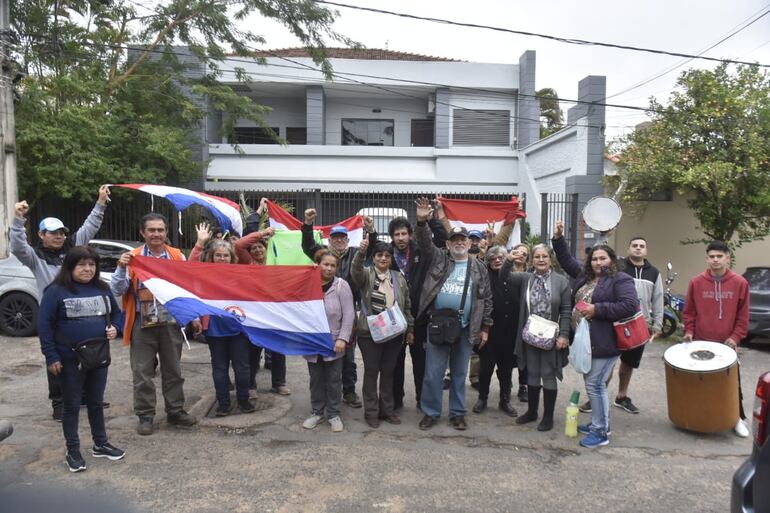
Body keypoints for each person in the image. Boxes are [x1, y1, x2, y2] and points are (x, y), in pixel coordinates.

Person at [10, 186, 111, 421]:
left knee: (86, 355)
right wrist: (18, 219)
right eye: (53, 232)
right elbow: (16, 246)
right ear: (41, 235)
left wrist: (101, 203)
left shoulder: (73, 251)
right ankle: (59, 403)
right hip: (54, 317)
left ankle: (84, 395)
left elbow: (90, 226)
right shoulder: (34, 257)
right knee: (56, 360)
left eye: (62, 232)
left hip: (79, 314)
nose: (59, 236)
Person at [38, 246, 124, 473]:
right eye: (82, 264)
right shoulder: (55, 291)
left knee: (96, 402)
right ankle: (73, 450)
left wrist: (115, 327)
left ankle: (101, 443)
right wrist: (51, 356)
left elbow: (117, 314)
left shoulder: (103, 288)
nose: (87, 269)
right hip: (68, 360)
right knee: (72, 406)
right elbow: (44, 326)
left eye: (92, 265)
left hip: (98, 357)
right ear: (70, 267)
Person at [552, 221, 638, 448]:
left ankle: (601, 432)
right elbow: (566, 260)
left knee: (595, 386)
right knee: (593, 383)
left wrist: (597, 309)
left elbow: (630, 305)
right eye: (594, 259)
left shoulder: (620, 279)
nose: (598, 262)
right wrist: (559, 238)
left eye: (603, 258)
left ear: (611, 260)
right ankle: (599, 424)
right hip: (585, 340)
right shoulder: (586, 277)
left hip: (605, 341)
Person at [111, 213, 198, 435]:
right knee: (142, 373)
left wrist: (193, 315)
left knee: (173, 371)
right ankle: (146, 415)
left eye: (160, 230)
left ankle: (175, 411)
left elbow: (188, 287)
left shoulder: (177, 256)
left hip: (170, 322)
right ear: (143, 233)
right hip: (142, 323)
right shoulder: (132, 257)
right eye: (151, 230)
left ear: (166, 232)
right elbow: (118, 290)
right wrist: (121, 268)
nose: (156, 234)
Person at [414, 198, 493, 431]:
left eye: (462, 240)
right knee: (433, 373)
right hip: (438, 325)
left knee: (459, 374)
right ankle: (431, 411)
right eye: (454, 240)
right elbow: (425, 244)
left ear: (469, 244)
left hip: (467, 326)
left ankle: (457, 413)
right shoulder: (439, 259)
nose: (458, 243)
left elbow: (486, 299)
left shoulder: (479, 267)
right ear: (448, 245)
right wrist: (421, 222)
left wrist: (485, 327)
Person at [301, 208, 379, 409]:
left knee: (348, 355)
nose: (339, 241)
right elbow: (307, 245)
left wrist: (370, 230)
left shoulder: (355, 252)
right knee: (322, 354)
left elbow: (373, 249)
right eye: (335, 237)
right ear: (329, 240)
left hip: (349, 312)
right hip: (325, 313)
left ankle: (349, 391)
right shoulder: (323, 255)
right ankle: (324, 394)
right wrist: (308, 225)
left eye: (342, 237)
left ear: (347, 239)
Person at [380, 207, 448, 411]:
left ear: (410, 235)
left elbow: (442, 238)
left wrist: (426, 220)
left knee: (421, 363)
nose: (400, 238)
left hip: (420, 317)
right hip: (394, 317)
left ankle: (422, 400)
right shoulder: (386, 255)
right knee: (395, 362)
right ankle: (396, 400)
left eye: (404, 233)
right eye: (396, 234)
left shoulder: (422, 252)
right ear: (392, 237)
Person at [683, 240, 751, 438]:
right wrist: (689, 331)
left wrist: (735, 337)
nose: (715, 260)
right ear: (706, 258)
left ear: (727, 258)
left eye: (719, 256)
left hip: (727, 343)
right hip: (700, 342)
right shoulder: (696, 282)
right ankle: (698, 417)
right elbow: (689, 311)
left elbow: (743, 316)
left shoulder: (740, 283)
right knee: (700, 382)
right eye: (711, 256)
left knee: (731, 383)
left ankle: (736, 418)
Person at [351, 238, 414, 428]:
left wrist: (410, 328)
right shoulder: (366, 274)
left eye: (387, 255)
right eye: (379, 255)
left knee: (388, 372)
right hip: (369, 333)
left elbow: (407, 305)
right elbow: (355, 271)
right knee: (371, 372)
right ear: (374, 257)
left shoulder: (398, 277)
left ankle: (387, 410)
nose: (383, 258)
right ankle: (371, 412)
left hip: (394, 333)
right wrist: (360, 254)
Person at [510, 244, 571, 432]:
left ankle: (548, 417)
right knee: (532, 372)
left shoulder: (561, 282)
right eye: (537, 256)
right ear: (532, 260)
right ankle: (532, 412)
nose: (541, 259)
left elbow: (566, 311)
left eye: (545, 256)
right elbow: (504, 276)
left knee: (548, 373)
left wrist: (563, 335)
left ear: (550, 259)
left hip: (551, 337)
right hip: (530, 335)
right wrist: (509, 259)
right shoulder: (526, 278)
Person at [197, 238, 255, 416]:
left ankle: (243, 400)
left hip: (238, 329)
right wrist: (199, 244)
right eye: (218, 255)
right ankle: (223, 403)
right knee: (220, 368)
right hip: (215, 329)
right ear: (211, 257)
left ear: (232, 258)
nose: (222, 259)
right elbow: (190, 264)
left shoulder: (240, 273)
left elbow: (240, 246)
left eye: (226, 256)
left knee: (242, 367)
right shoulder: (203, 274)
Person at [607, 236, 664, 414]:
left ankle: (622, 397)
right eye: (634, 245)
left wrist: (658, 324)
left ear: (646, 250)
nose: (638, 248)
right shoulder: (617, 267)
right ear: (628, 248)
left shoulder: (654, 272)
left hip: (639, 326)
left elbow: (658, 299)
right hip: (615, 322)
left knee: (628, 363)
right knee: (606, 363)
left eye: (642, 246)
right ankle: (595, 396)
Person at [302, 249, 355, 432]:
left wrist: (342, 338)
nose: (330, 268)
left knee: (333, 379)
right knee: (315, 379)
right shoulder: (308, 284)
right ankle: (317, 412)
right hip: (312, 341)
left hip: (334, 342)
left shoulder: (341, 286)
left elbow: (349, 315)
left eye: (333, 265)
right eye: (326, 264)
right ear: (318, 264)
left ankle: (333, 413)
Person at [472, 246, 523, 417]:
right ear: (488, 261)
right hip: (489, 332)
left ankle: (505, 400)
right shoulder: (483, 277)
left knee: (506, 370)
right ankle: (482, 398)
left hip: (510, 332)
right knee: (486, 368)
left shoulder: (515, 278)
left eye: (501, 257)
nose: (497, 260)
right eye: (493, 258)